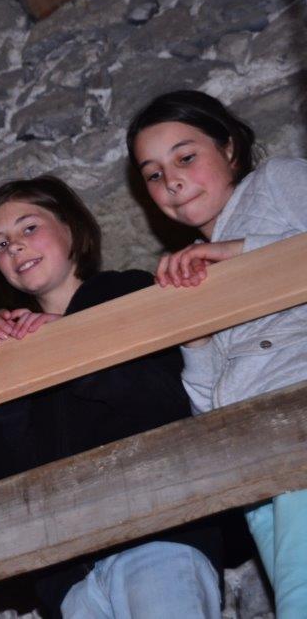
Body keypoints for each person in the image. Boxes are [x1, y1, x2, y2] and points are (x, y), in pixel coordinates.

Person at [0, 175, 224, 619]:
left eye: (29, 227)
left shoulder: (128, 292)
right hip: (71, 576)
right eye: (1, 244)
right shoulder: (15, 347)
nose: (15, 246)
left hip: (158, 534)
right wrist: (0, 381)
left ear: (71, 229)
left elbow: (170, 401)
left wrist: (73, 345)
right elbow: (5, 482)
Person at [127, 89, 307, 618]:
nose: (171, 181)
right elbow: (210, 409)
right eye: (153, 174)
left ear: (229, 148)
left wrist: (238, 253)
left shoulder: (276, 182)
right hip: (255, 464)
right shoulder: (191, 269)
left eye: (185, 157)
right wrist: (196, 342)